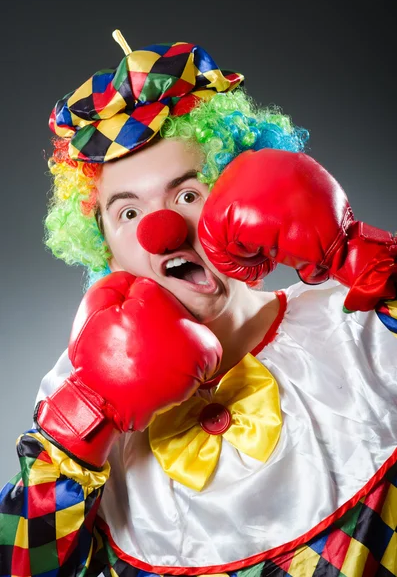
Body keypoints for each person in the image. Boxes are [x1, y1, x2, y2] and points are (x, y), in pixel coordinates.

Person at [1, 30, 397, 577]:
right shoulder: (81, 394)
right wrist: (83, 424)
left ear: (243, 188)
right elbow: (23, 567)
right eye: (128, 213)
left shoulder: (354, 322)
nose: (164, 232)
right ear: (104, 244)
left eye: (188, 195)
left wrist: (360, 255)